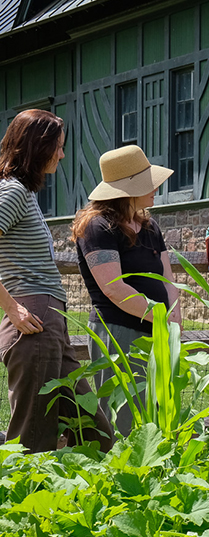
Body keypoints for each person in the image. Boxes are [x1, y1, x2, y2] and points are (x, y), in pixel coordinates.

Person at [0, 110, 113, 452]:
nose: (62, 155)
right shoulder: (13, 191)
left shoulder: (26, 194)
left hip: (51, 320)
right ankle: (23, 502)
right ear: (37, 147)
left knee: (95, 434)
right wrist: (13, 309)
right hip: (32, 318)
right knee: (32, 440)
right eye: (58, 147)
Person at [73, 145, 180, 436]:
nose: (156, 188)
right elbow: (113, 289)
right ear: (127, 189)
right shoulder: (97, 227)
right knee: (126, 419)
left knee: (161, 412)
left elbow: (168, 280)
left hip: (159, 331)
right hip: (120, 334)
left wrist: (175, 325)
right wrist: (159, 317)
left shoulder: (150, 226)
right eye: (147, 183)